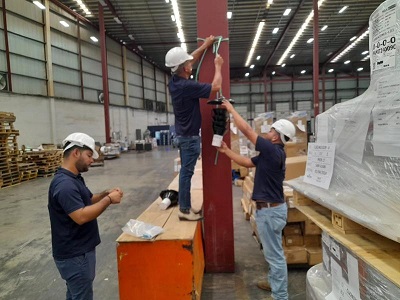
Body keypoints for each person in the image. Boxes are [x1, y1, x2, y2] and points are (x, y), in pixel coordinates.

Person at [216, 99, 296, 300]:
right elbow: (247, 162)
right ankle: (273, 284)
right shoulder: (272, 154)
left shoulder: (272, 150)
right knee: (272, 254)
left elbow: (247, 131)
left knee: (275, 257)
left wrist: (231, 109)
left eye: (270, 131)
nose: (267, 133)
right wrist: (226, 151)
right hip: (269, 211)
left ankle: (280, 296)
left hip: (269, 212)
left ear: (277, 136)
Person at [48, 132, 124, 300]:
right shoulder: (65, 185)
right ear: (76, 153)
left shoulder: (74, 178)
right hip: (75, 255)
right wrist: (109, 200)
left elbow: (88, 199)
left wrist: (105, 193)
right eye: (89, 155)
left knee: (76, 295)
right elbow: (80, 216)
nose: (92, 160)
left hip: (79, 252)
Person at [165, 36, 224, 221]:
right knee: (186, 174)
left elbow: (191, 59)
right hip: (189, 138)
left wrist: (205, 46)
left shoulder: (175, 81)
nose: (191, 64)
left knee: (185, 173)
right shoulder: (187, 86)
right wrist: (218, 65)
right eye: (188, 64)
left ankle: (185, 206)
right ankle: (184, 209)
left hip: (184, 135)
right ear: (185, 68)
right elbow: (216, 87)